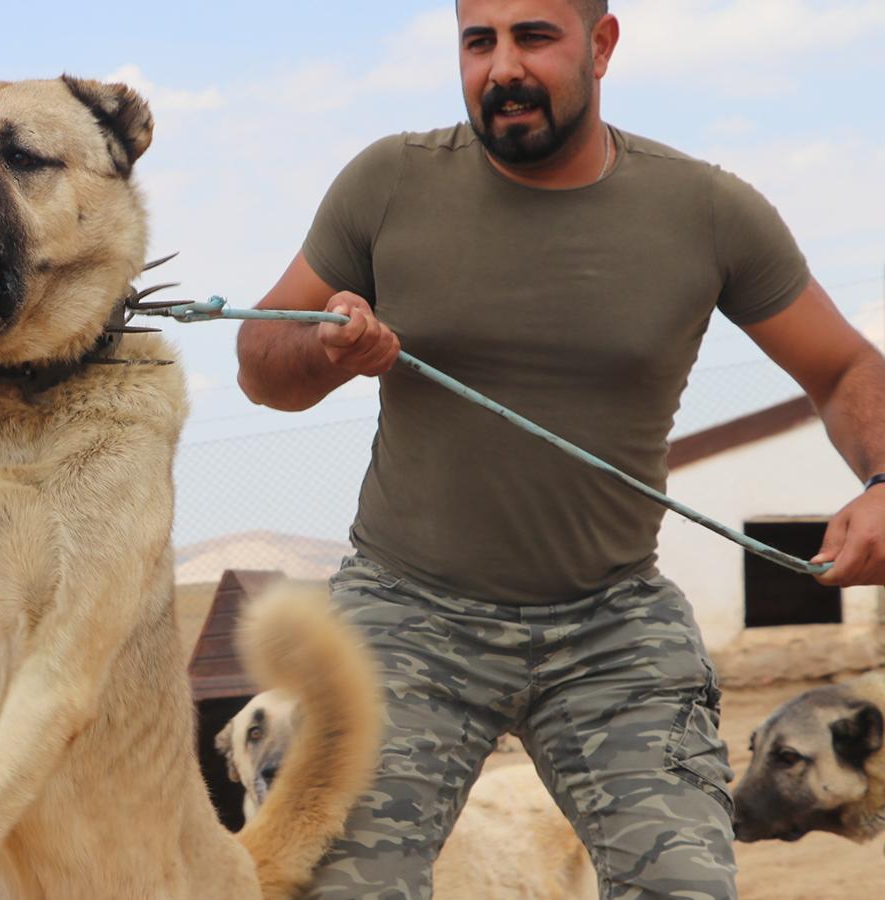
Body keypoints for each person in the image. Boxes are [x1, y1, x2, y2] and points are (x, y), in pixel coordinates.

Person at [233, 0, 885, 896]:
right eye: (478, 41)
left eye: (533, 36)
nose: (502, 67)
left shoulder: (709, 210)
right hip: (407, 614)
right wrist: (327, 348)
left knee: (687, 885)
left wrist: (884, 481)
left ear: (601, 44)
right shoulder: (386, 183)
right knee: (331, 886)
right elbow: (261, 368)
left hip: (612, 623)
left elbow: (844, 366)